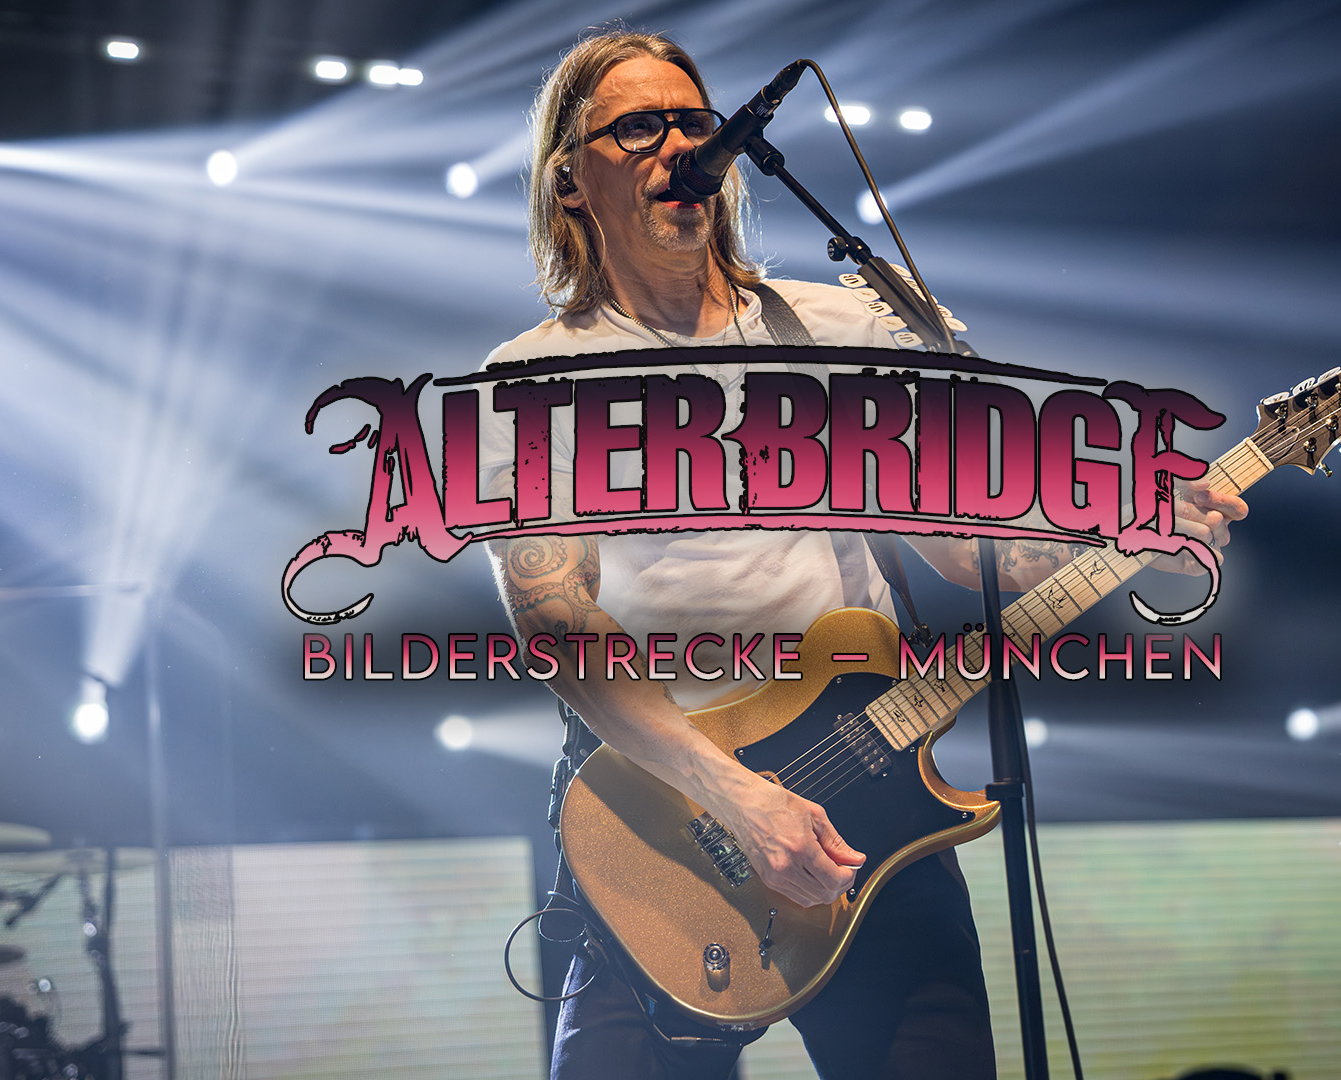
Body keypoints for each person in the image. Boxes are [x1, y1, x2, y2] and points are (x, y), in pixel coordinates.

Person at [479, 29, 1248, 1080]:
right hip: (663, 833)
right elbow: (558, 626)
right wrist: (740, 799)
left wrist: (1125, 530)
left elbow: (970, 554)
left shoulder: (844, 329)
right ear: (570, 179)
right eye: (640, 128)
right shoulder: (530, 382)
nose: (681, 146)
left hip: (874, 808)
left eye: (696, 122)